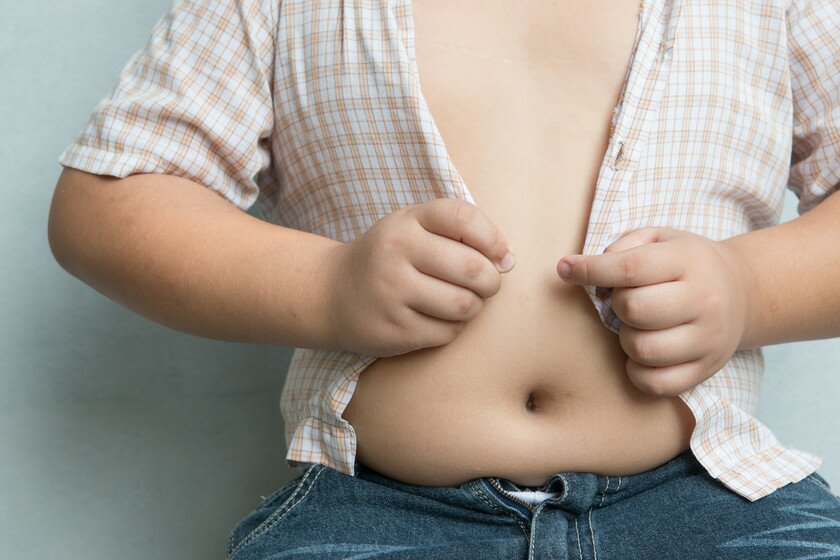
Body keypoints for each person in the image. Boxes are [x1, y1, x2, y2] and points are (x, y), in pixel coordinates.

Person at [48, 0, 840, 558]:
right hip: (379, 513)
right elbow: (106, 205)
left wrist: (746, 289)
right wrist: (328, 286)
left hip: (715, 502)